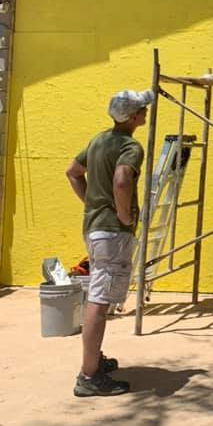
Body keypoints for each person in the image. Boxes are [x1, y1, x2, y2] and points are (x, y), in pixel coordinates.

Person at [65, 88, 154, 397]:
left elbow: (73, 173)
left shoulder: (98, 140)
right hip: (113, 232)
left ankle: (94, 361)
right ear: (132, 117)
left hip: (94, 228)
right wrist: (123, 215)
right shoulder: (131, 146)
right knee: (100, 303)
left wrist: (91, 203)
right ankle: (89, 376)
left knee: (98, 295)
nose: (146, 112)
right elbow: (121, 180)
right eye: (142, 109)